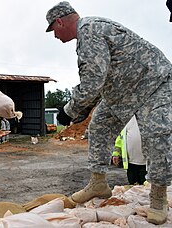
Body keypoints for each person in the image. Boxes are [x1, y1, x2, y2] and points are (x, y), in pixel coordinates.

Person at [46, 1, 171, 225]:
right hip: (122, 92)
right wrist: (85, 109)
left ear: (60, 21)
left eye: (53, 30)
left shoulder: (89, 31)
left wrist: (69, 110)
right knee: (99, 126)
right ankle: (98, 183)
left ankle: (158, 197)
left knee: (155, 136)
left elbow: (92, 80)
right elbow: (100, 79)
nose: (54, 36)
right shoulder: (88, 32)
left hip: (154, 84)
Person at [112, 116, 147, 185]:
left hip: (147, 164)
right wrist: (116, 153)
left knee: (146, 188)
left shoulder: (152, 116)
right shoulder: (127, 118)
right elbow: (120, 138)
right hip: (131, 163)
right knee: (133, 187)